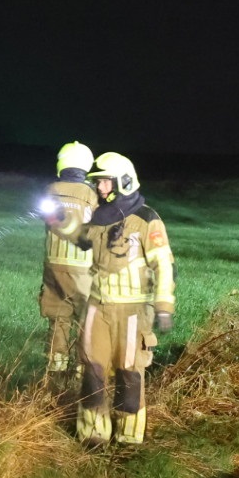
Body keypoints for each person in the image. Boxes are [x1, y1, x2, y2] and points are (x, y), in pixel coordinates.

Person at [75, 152, 176, 446]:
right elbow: (80, 241)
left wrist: (164, 307)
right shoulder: (97, 217)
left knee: (129, 375)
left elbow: (164, 264)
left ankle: (128, 439)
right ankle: (92, 436)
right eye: (98, 182)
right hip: (97, 308)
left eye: (105, 181)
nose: (100, 187)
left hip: (132, 312)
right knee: (92, 371)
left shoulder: (147, 219)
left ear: (124, 181)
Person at [38, 142, 99, 382]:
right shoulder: (92, 194)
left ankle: (55, 372)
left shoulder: (50, 190)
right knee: (86, 319)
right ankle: (83, 372)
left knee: (58, 318)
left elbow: (46, 218)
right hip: (82, 266)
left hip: (53, 264)